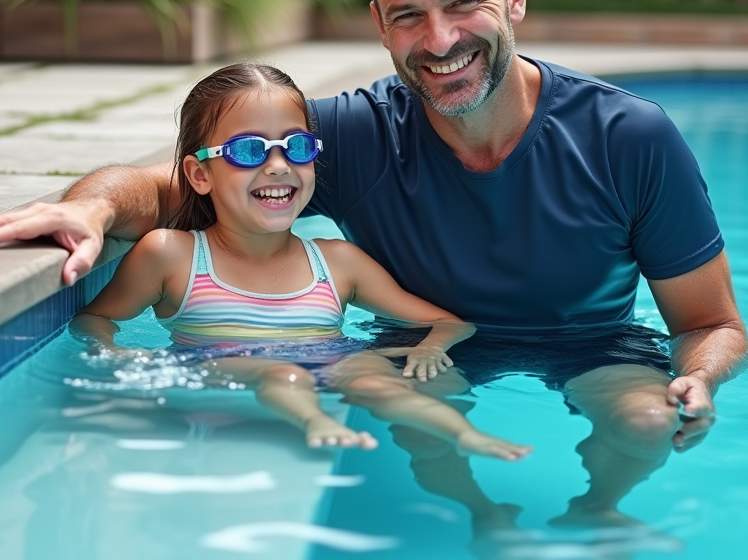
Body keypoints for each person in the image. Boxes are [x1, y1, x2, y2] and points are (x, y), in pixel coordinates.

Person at [0, 0, 748, 529]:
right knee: (407, 400)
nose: (438, 40)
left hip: (594, 341)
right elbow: (166, 189)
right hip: (423, 348)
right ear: (378, 24)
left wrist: (701, 379)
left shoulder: (627, 137)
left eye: (461, 3)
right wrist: (91, 211)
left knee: (647, 424)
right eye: (407, 14)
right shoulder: (352, 134)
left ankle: (595, 515)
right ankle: (479, 520)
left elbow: (711, 325)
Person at [70, 62, 531, 460]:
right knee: (282, 373)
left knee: (377, 384)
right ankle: (313, 421)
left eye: (298, 147)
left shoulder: (338, 261)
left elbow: (449, 323)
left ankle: (465, 434)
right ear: (200, 174)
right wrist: (112, 353)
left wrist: (430, 348)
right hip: (220, 364)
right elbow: (93, 318)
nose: (277, 165)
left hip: (333, 360)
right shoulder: (173, 255)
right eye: (249, 149)